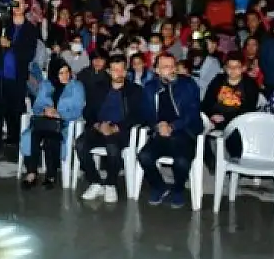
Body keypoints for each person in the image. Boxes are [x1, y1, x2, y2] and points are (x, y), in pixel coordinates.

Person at [138, 53, 202, 208]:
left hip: (184, 133)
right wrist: (158, 126)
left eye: (173, 66)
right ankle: (159, 187)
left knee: (181, 161)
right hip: (160, 133)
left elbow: (192, 113)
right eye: (166, 67)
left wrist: (173, 126)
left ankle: (178, 190)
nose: (171, 70)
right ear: (157, 70)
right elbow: (145, 114)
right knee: (144, 156)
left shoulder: (188, 84)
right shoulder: (150, 88)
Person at [77, 55, 144, 202]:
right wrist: (97, 124)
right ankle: (95, 181)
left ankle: (111, 183)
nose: (118, 73)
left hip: (120, 130)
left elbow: (138, 115)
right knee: (80, 144)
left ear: (126, 71)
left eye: (121, 70)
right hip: (99, 127)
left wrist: (117, 127)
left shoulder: (135, 91)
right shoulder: (98, 88)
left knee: (112, 146)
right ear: (108, 71)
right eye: (115, 70)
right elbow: (87, 111)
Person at [20, 59, 85, 189]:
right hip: (44, 122)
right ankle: (32, 172)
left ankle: (51, 174)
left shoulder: (76, 86)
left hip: (65, 124)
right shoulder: (46, 85)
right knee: (32, 135)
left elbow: (78, 110)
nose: (65, 76)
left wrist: (60, 115)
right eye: (61, 73)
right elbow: (36, 107)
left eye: (67, 72)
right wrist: (45, 110)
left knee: (51, 137)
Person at [0, 0, 39, 152]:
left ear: (26, 7)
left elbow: (29, 54)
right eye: (14, 3)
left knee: (14, 108)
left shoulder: (30, 29)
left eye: (19, 3)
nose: (16, 5)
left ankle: (13, 138)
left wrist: (10, 45)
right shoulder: (4, 23)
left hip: (16, 75)